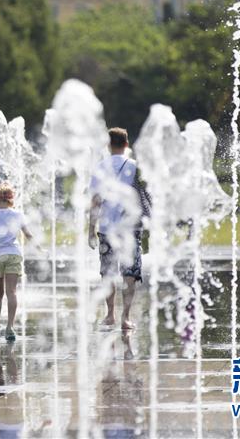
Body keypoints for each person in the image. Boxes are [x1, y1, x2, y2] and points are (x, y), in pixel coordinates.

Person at [89, 127, 148, 331]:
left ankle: (110, 315)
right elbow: (145, 198)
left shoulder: (100, 167)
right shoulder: (135, 166)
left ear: (108, 144)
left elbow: (95, 201)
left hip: (106, 228)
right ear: (126, 144)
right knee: (130, 272)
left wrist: (90, 230)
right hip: (131, 228)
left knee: (107, 272)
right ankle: (125, 317)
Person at [0, 182, 33, 342]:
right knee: (12, 292)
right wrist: (40, 249)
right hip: (14, 254)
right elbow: (28, 235)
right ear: (11, 198)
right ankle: (10, 327)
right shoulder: (18, 214)